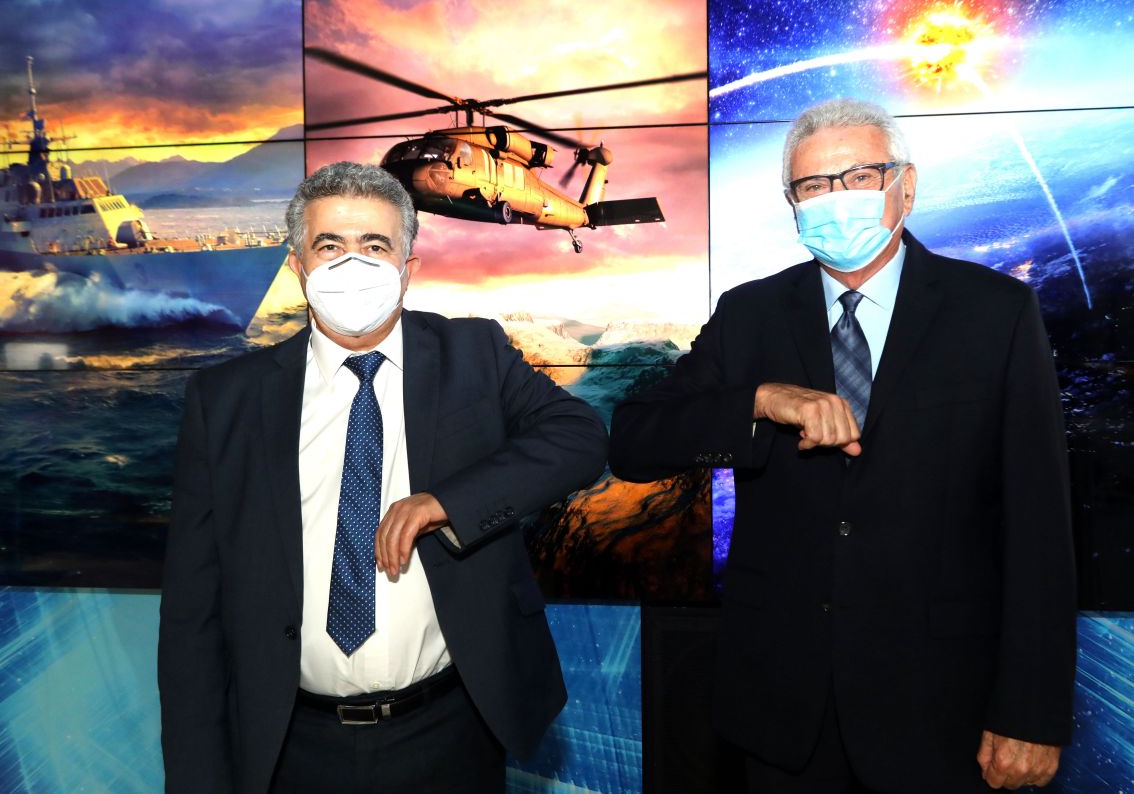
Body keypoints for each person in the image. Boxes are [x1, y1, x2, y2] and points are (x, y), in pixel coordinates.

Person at [609, 99, 1076, 793]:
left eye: (859, 177)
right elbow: (634, 440)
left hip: (942, 709)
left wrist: (1032, 712)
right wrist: (761, 401)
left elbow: (1038, 524)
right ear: (792, 204)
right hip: (783, 713)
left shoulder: (994, 312)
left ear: (905, 187)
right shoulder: (751, 313)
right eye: (813, 187)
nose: (835, 201)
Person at [159, 161, 608, 793]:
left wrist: (450, 502)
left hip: (451, 731)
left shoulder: (474, 354)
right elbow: (191, 616)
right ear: (298, 266)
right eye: (330, 246)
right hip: (289, 742)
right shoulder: (226, 399)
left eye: (375, 246)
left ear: (407, 268)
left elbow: (580, 436)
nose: (354, 265)